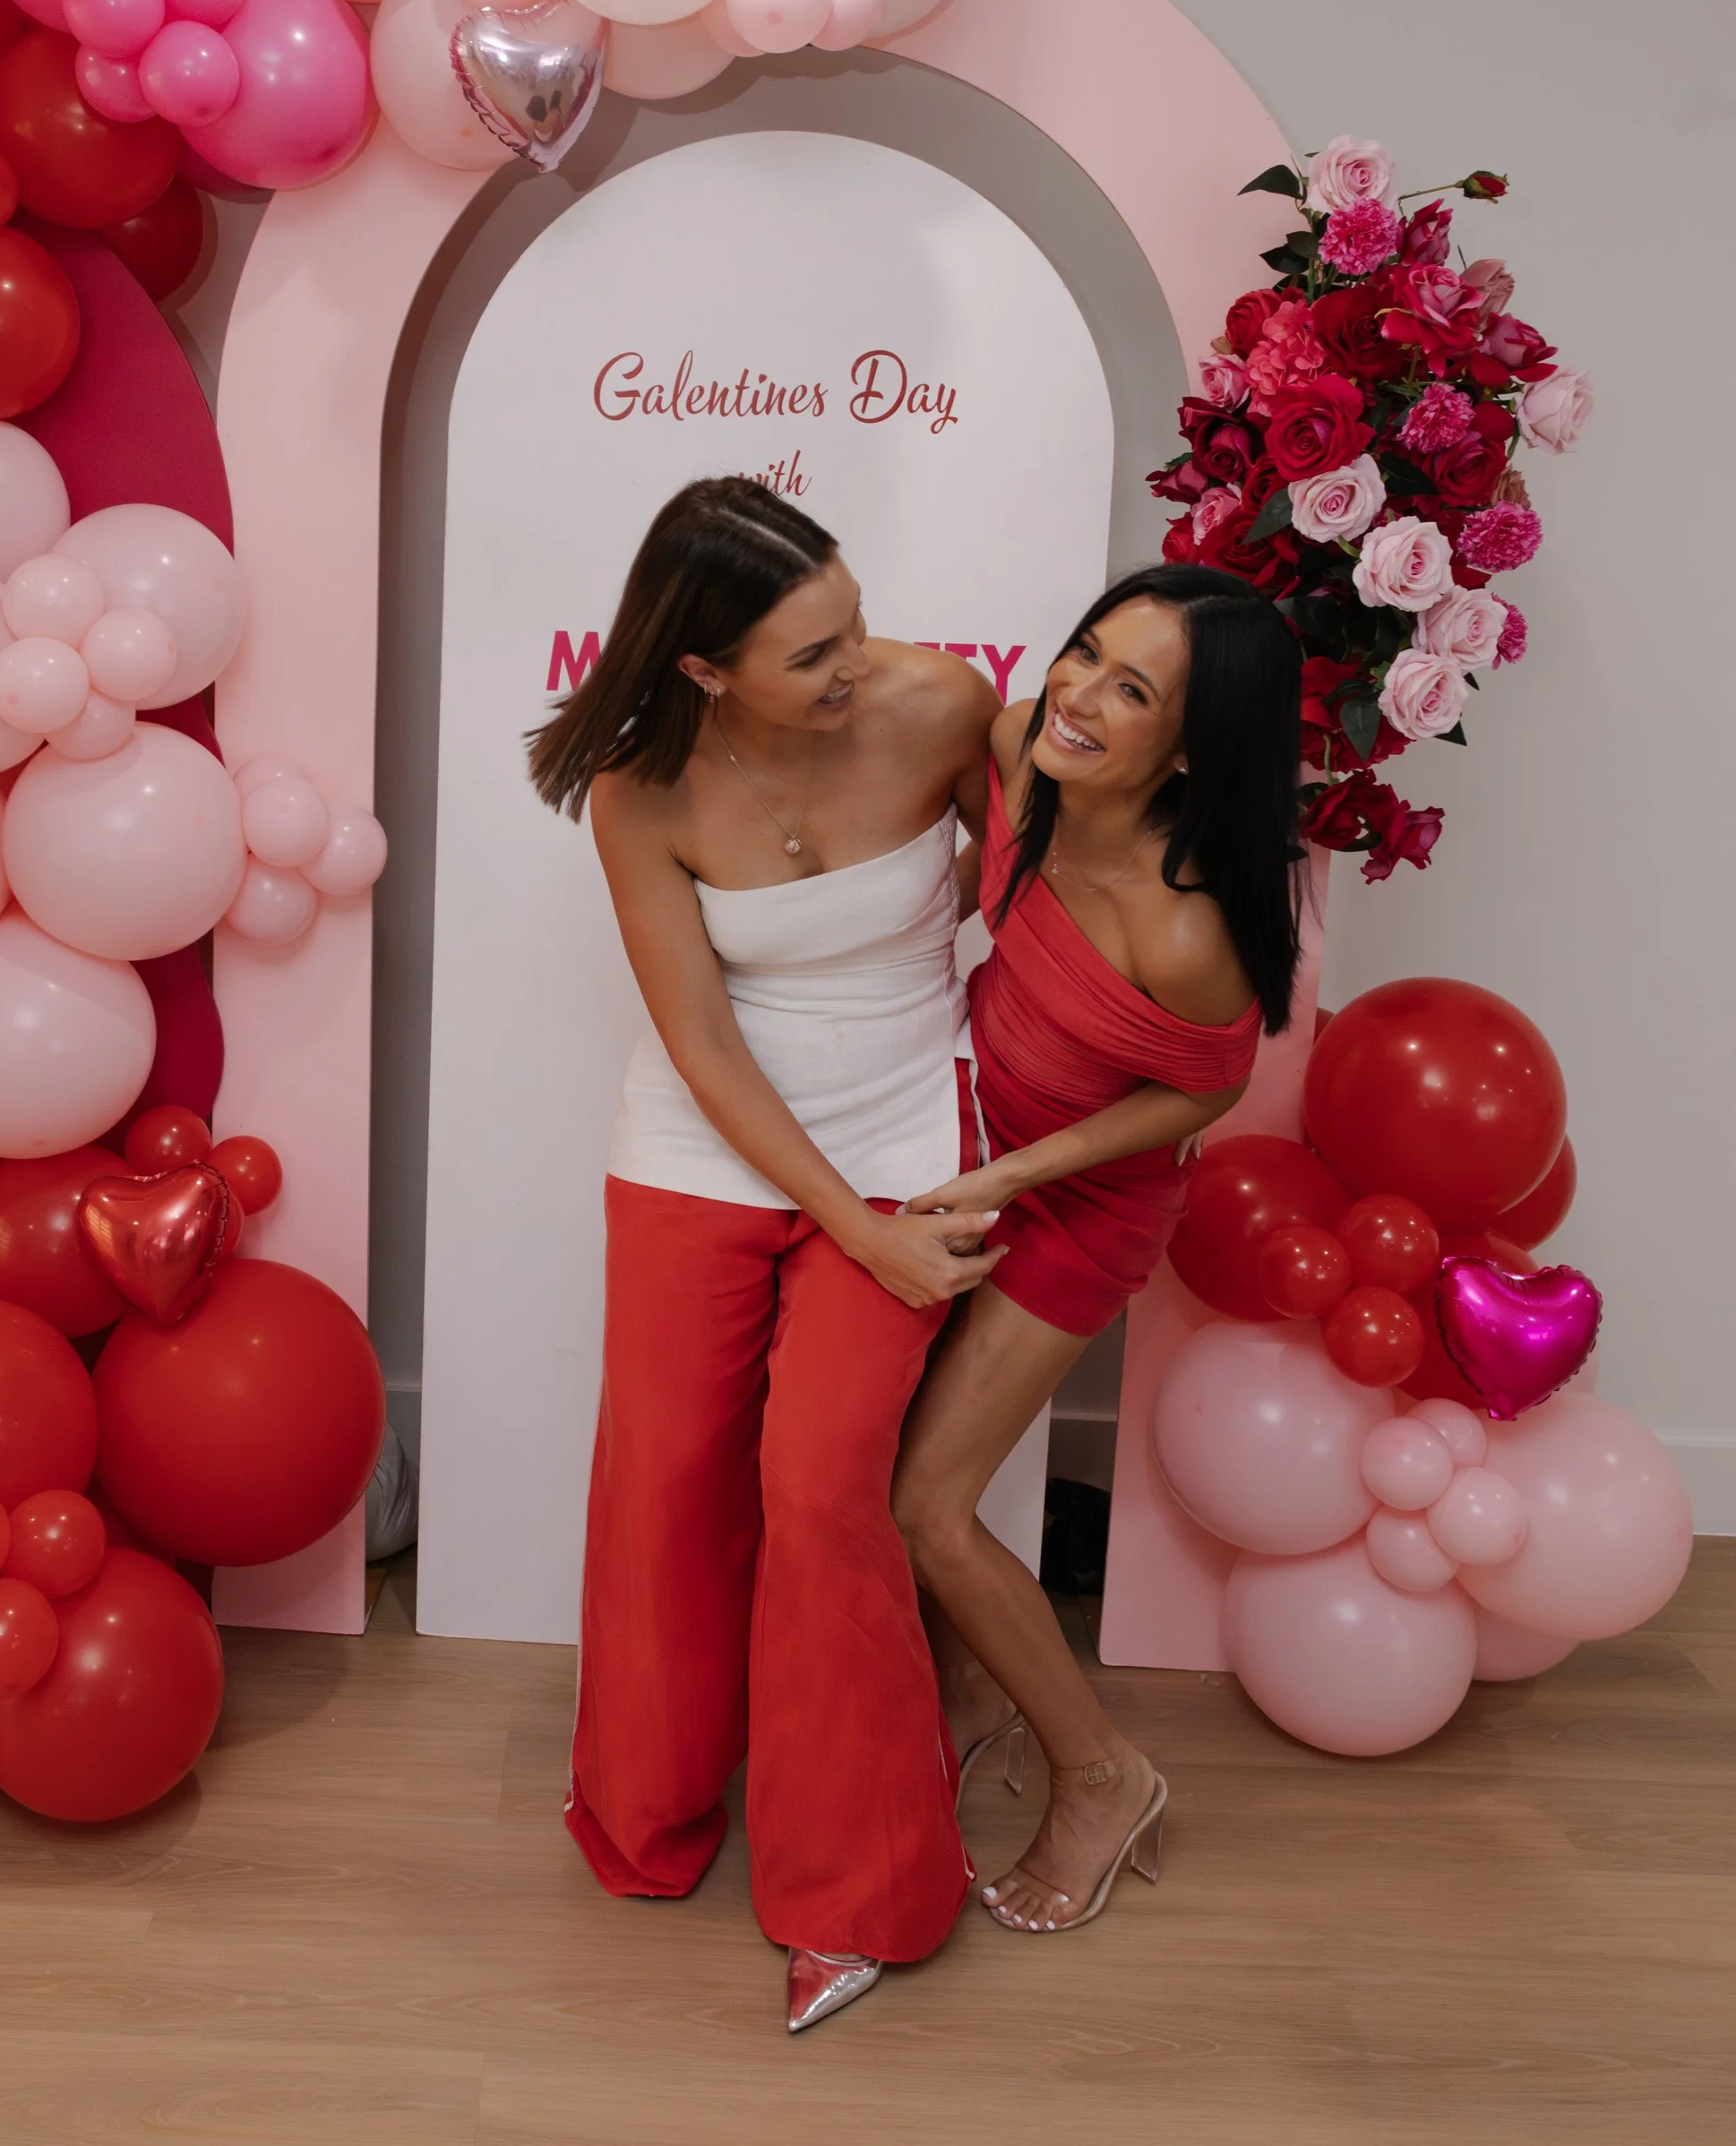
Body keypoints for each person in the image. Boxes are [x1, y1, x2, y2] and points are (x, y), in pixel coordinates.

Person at [528, 476, 998, 2034]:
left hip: (907, 1138)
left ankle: (856, 1887)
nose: (858, 663)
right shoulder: (639, 790)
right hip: (703, 1141)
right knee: (664, 1479)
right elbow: (704, 1044)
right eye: (812, 653)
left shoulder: (944, 707)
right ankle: (645, 1811)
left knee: (821, 1488)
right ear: (704, 667)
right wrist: (853, 1224)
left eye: (854, 624)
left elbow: (1057, 891)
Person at [892, 565, 1302, 1934]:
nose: (1074, 692)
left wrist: (1013, 1175)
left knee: (926, 1504)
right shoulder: (1021, 742)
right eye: (1084, 652)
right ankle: (968, 1698)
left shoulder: (1187, 923)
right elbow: (978, 871)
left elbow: (1203, 1093)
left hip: (1080, 1206)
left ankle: (1102, 1771)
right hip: (964, 1141)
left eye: (1130, 690)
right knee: (874, 1453)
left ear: (1189, 747)